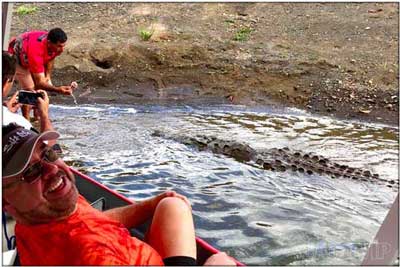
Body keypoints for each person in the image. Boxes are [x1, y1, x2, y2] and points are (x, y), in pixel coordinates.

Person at [2, 123, 236, 266]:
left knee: (171, 206)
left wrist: (150, 204)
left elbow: (94, 220)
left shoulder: (41, 214)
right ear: (5, 202)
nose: (52, 170)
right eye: (31, 172)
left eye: (48, 154)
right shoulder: (93, 255)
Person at [8, 28, 75, 119]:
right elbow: (39, 82)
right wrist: (58, 89)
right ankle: (26, 121)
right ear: (49, 42)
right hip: (15, 57)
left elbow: (51, 57)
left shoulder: (55, 46)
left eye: (63, 46)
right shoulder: (36, 50)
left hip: (29, 55)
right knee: (30, 90)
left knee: (41, 89)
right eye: (59, 46)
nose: (62, 50)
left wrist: (47, 76)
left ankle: (37, 117)